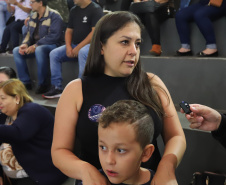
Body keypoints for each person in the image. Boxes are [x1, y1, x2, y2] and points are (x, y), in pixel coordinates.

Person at [51, 11, 186, 185]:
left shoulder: (152, 83)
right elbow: (59, 151)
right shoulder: (76, 90)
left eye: (137, 44)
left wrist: (166, 167)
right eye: (124, 42)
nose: (133, 51)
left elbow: (176, 136)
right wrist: (86, 171)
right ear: (101, 46)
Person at [0, 79, 67, 185]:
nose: (0, 101)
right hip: (16, 178)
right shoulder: (5, 117)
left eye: (3, 98)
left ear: (17, 98)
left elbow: (17, 133)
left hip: (40, 176)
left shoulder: (32, 110)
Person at [42, 0, 103, 99]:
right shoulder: (74, 10)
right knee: (54, 53)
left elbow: (94, 33)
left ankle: (81, 88)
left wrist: (79, 47)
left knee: (83, 52)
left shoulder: (96, 9)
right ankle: (56, 87)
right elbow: (69, 30)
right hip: (75, 45)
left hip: (91, 47)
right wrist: (68, 46)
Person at [13, 0, 64, 94]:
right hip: (36, 46)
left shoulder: (54, 15)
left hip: (53, 45)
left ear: (40, 3)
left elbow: (54, 36)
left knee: (40, 50)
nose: (30, 4)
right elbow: (28, 34)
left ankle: (44, 84)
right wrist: (25, 44)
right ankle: (25, 82)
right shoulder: (33, 16)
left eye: (32, 2)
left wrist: (36, 45)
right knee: (16, 50)